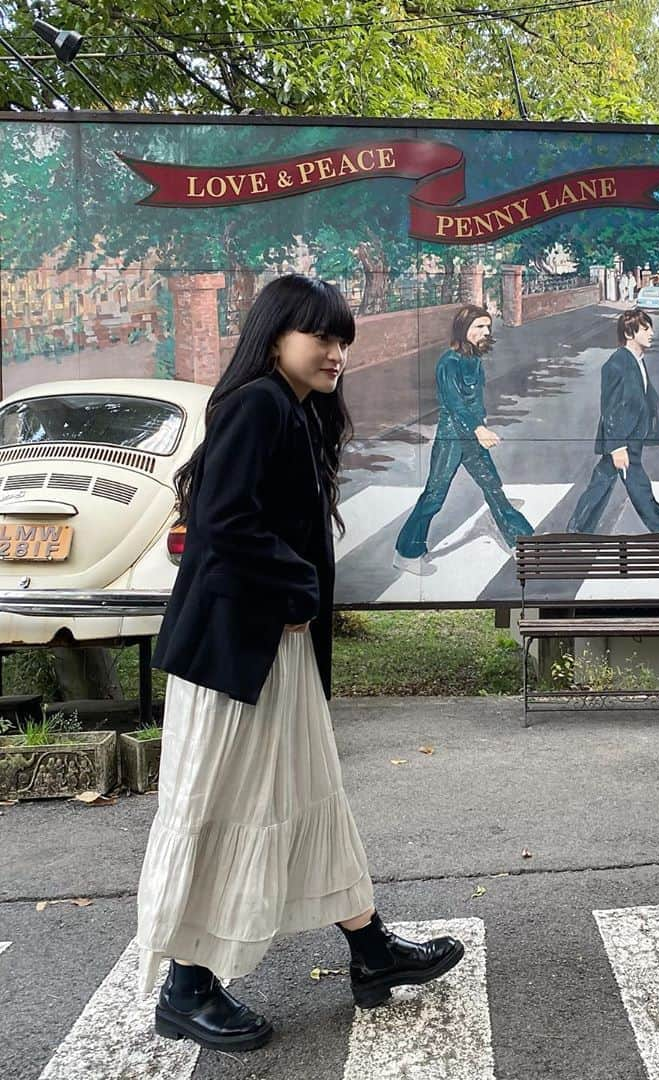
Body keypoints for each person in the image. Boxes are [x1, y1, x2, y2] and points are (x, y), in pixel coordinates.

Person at [139, 275, 464, 1052]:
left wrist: (298, 603)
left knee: (314, 795)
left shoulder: (291, 409)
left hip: (271, 651)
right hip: (235, 657)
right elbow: (223, 525)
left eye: (343, 339)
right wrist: (300, 587)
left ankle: (371, 950)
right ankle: (185, 988)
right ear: (277, 334)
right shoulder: (258, 402)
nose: (338, 352)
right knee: (218, 805)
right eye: (323, 336)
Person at [394, 305, 533, 574]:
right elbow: (455, 404)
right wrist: (478, 429)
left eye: (487, 326)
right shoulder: (448, 363)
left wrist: (479, 425)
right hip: (452, 436)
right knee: (435, 495)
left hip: (471, 435)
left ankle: (521, 543)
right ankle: (406, 553)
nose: (485, 331)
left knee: (493, 486)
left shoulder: (474, 360)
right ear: (463, 329)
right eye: (479, 326)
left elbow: (474, 402)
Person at [567, 307, 659, 534]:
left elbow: (647, 395)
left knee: (601, 484)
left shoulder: (637, 360)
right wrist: (617, 447)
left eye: (651, 328)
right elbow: (610, 408)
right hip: (623, 440)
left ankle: (577, 534)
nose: (651, 334)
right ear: (629, 334)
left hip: (630, 437)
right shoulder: (617, 364)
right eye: (645, 329)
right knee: (641, 493)